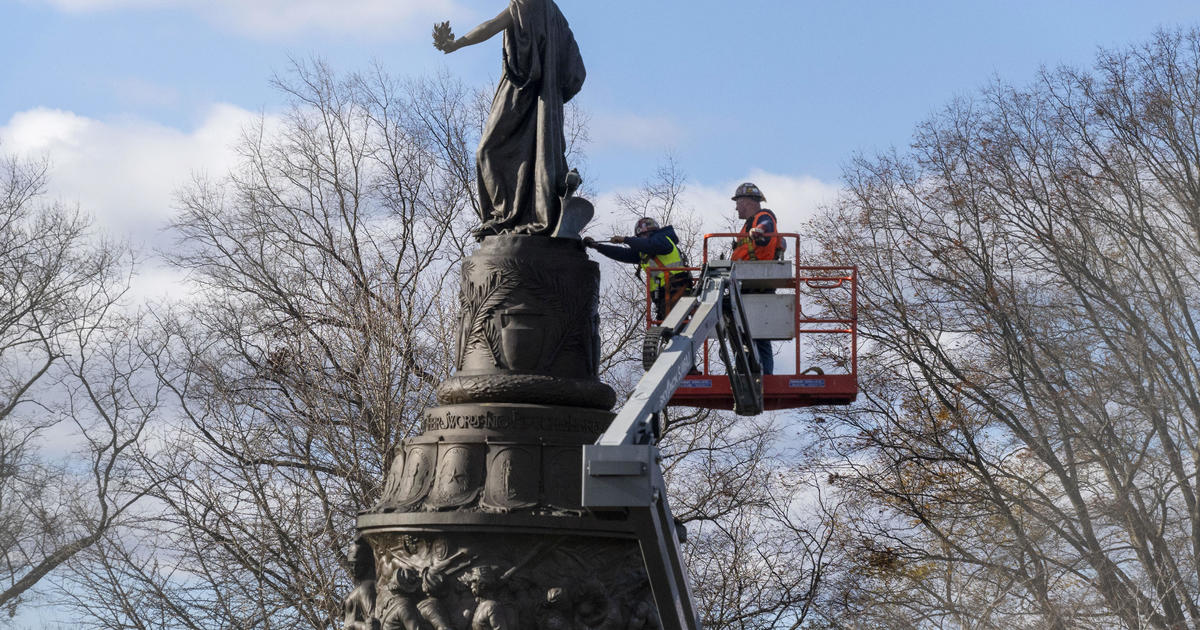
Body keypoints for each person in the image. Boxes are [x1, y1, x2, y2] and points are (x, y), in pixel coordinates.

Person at [434, 0, 586, 237]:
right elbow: (575, 68)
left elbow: (492, 25)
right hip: (539, 97)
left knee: (487, 151)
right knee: (526, 157)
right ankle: (510, 215)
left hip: (520, 93)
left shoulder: (530, 4)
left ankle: (503, 215)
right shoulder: (552, 12)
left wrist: (458, 43)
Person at [584, 217, 693, 322]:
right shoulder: (645, 251)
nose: (642, 238)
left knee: (673, 326)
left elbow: (650, 245)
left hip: (676, 287)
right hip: (664, 294)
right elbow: (622, 254)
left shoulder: (662, 239)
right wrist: (597, 246)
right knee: (669, 328)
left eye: (643, 235)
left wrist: (625, 239)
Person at [730, 182, 783, 374]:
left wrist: (759, 230)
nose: (736, 207)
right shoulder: (748, 224)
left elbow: (766, 226)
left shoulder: (763, 217)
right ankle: (747, 370)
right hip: (746, 283)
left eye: (738, 202)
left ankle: (763, 375)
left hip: (757, 284)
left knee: (758, 335)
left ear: (748, 201)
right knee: (747, 333)